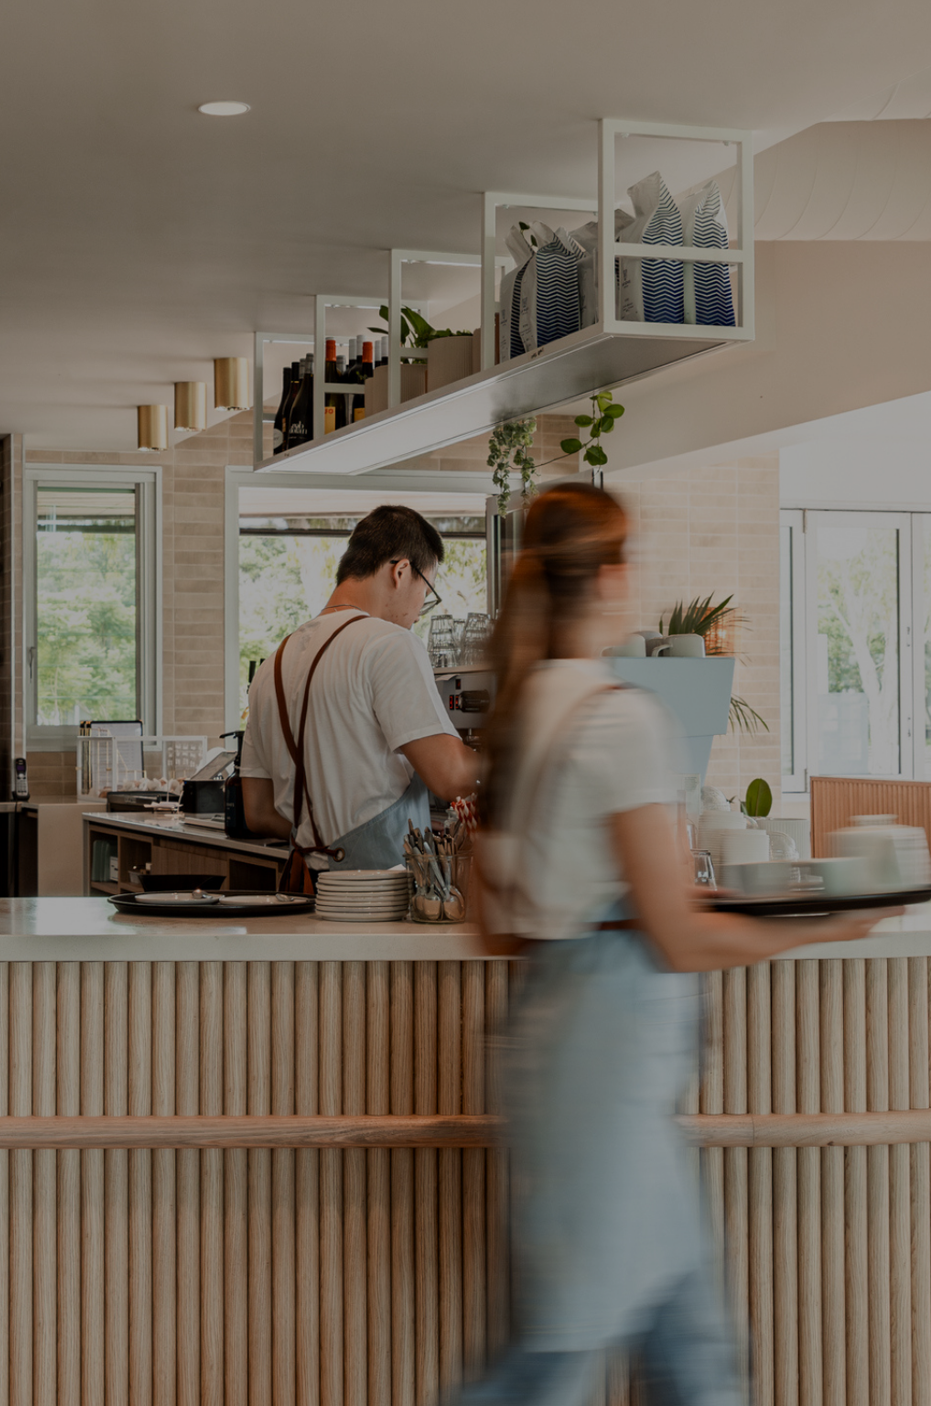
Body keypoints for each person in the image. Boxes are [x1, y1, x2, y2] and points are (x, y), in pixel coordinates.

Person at [458, 481, 890, 1405]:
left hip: (553, 1039)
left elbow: (497, 925)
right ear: (613, 577)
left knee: (686, 1345)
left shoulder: (521, 715)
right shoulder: (621, 718)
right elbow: (679, 939)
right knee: (557, 1359)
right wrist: (831, 922)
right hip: (605, 1064)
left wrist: (613, 895)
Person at [238, 504, 477, 879]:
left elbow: (258, 811)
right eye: (426, 592)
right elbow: (450, 776)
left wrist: (324, 840)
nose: (418, 613)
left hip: (310, 885)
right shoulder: (390, 643)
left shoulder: (272, 664)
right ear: (401, 572)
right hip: (384, 892)